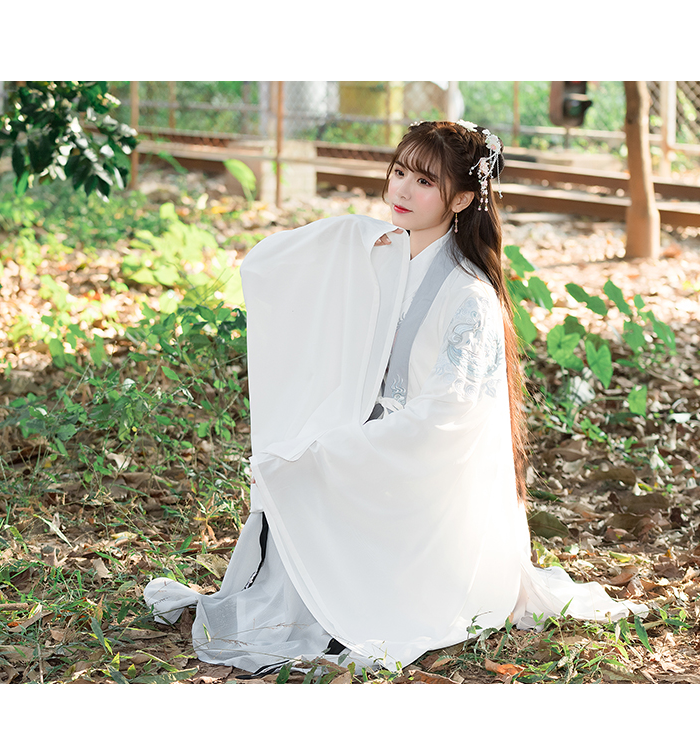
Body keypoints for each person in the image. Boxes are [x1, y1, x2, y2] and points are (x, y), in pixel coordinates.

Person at [144, 120, 646, 677]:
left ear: (461, 199)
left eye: (425, 182)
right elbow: (278, 269)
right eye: (400, 172)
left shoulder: (470, 295)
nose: (402, 190)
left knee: (312, 462)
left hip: (426, 466)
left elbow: (446, 415)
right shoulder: (382, 253)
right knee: (298, 458)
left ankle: (357, 594)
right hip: (379, 436)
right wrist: (350, 234)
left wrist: (344, 449)